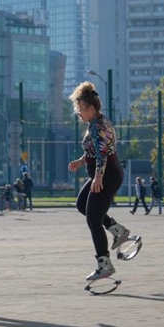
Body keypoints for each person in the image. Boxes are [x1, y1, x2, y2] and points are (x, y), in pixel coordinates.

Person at [67, 81, 131, 281]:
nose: (78, 113)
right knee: (81, 205)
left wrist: (98, 176)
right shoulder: (98, 123)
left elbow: (102, 153)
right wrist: (81, 161)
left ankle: (104, 264)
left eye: (80, 109)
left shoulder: (97, 127)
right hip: (106, 173)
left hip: (107, 175)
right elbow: (95, 150)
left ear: (91, 108)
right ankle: (117, 229)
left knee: (93, 219)